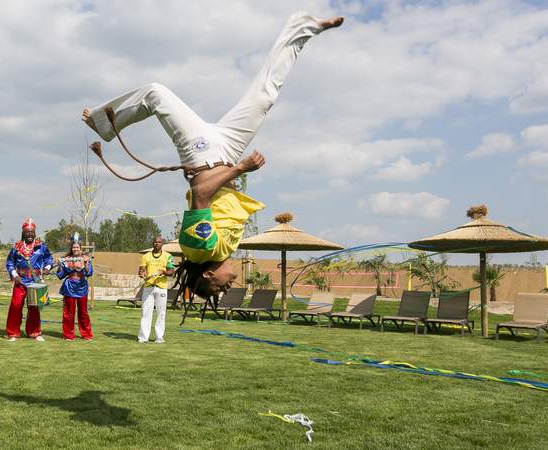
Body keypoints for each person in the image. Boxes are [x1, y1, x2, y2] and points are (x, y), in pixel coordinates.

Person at [82, 13, 344, 303]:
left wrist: (242, 168)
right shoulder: (222, 250)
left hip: (202, 152)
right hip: (228, 152)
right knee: (264, 96)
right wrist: (236, 166)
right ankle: (304, 27)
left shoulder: (200, 248)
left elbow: (201, 193)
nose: (226, 288)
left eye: (218, 288)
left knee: (156, 93)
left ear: (208, 275)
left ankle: (103, 122)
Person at [5, 218, 52, 341]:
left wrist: (46, 268)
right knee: (15, 306)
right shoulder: (16, 247)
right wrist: (15, 275)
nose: (30, 234)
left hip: (35, 281)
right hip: (20, 280)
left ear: (35, 232)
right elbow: (10, 262)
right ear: (23, 232)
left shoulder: (41, 246)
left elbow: (49, 259)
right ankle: (13, 333)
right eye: (27, 231)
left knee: (34, 307)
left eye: (32, 231)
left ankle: (34, 332)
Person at [56, 233, 94, 341]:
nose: (75, 248)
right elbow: (61, 274)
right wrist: (59, 265)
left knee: (83, 312)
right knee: (69, 312)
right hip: (69, 287)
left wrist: (86, 263)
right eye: (73, 247)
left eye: (77, 247)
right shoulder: (66, 259)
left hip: (81, 286)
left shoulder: (85, 258)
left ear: (80, 248)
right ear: (71, 248)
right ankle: (68, 334)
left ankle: (86, 334)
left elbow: (89, 273)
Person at [138, 236, 175, 343]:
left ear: (162, 244)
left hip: (161, 288)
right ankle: (143, 337)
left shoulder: (168, 256)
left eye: (159, 242)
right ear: (152, 243)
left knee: (161, 313)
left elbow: (171, 272)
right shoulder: (146, 256)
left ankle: (159, 337)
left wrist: (163, 272)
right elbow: (141, 270)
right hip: (148, 287)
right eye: (155, 242)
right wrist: (142, 274)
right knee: (146, 312)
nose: (157, 244)